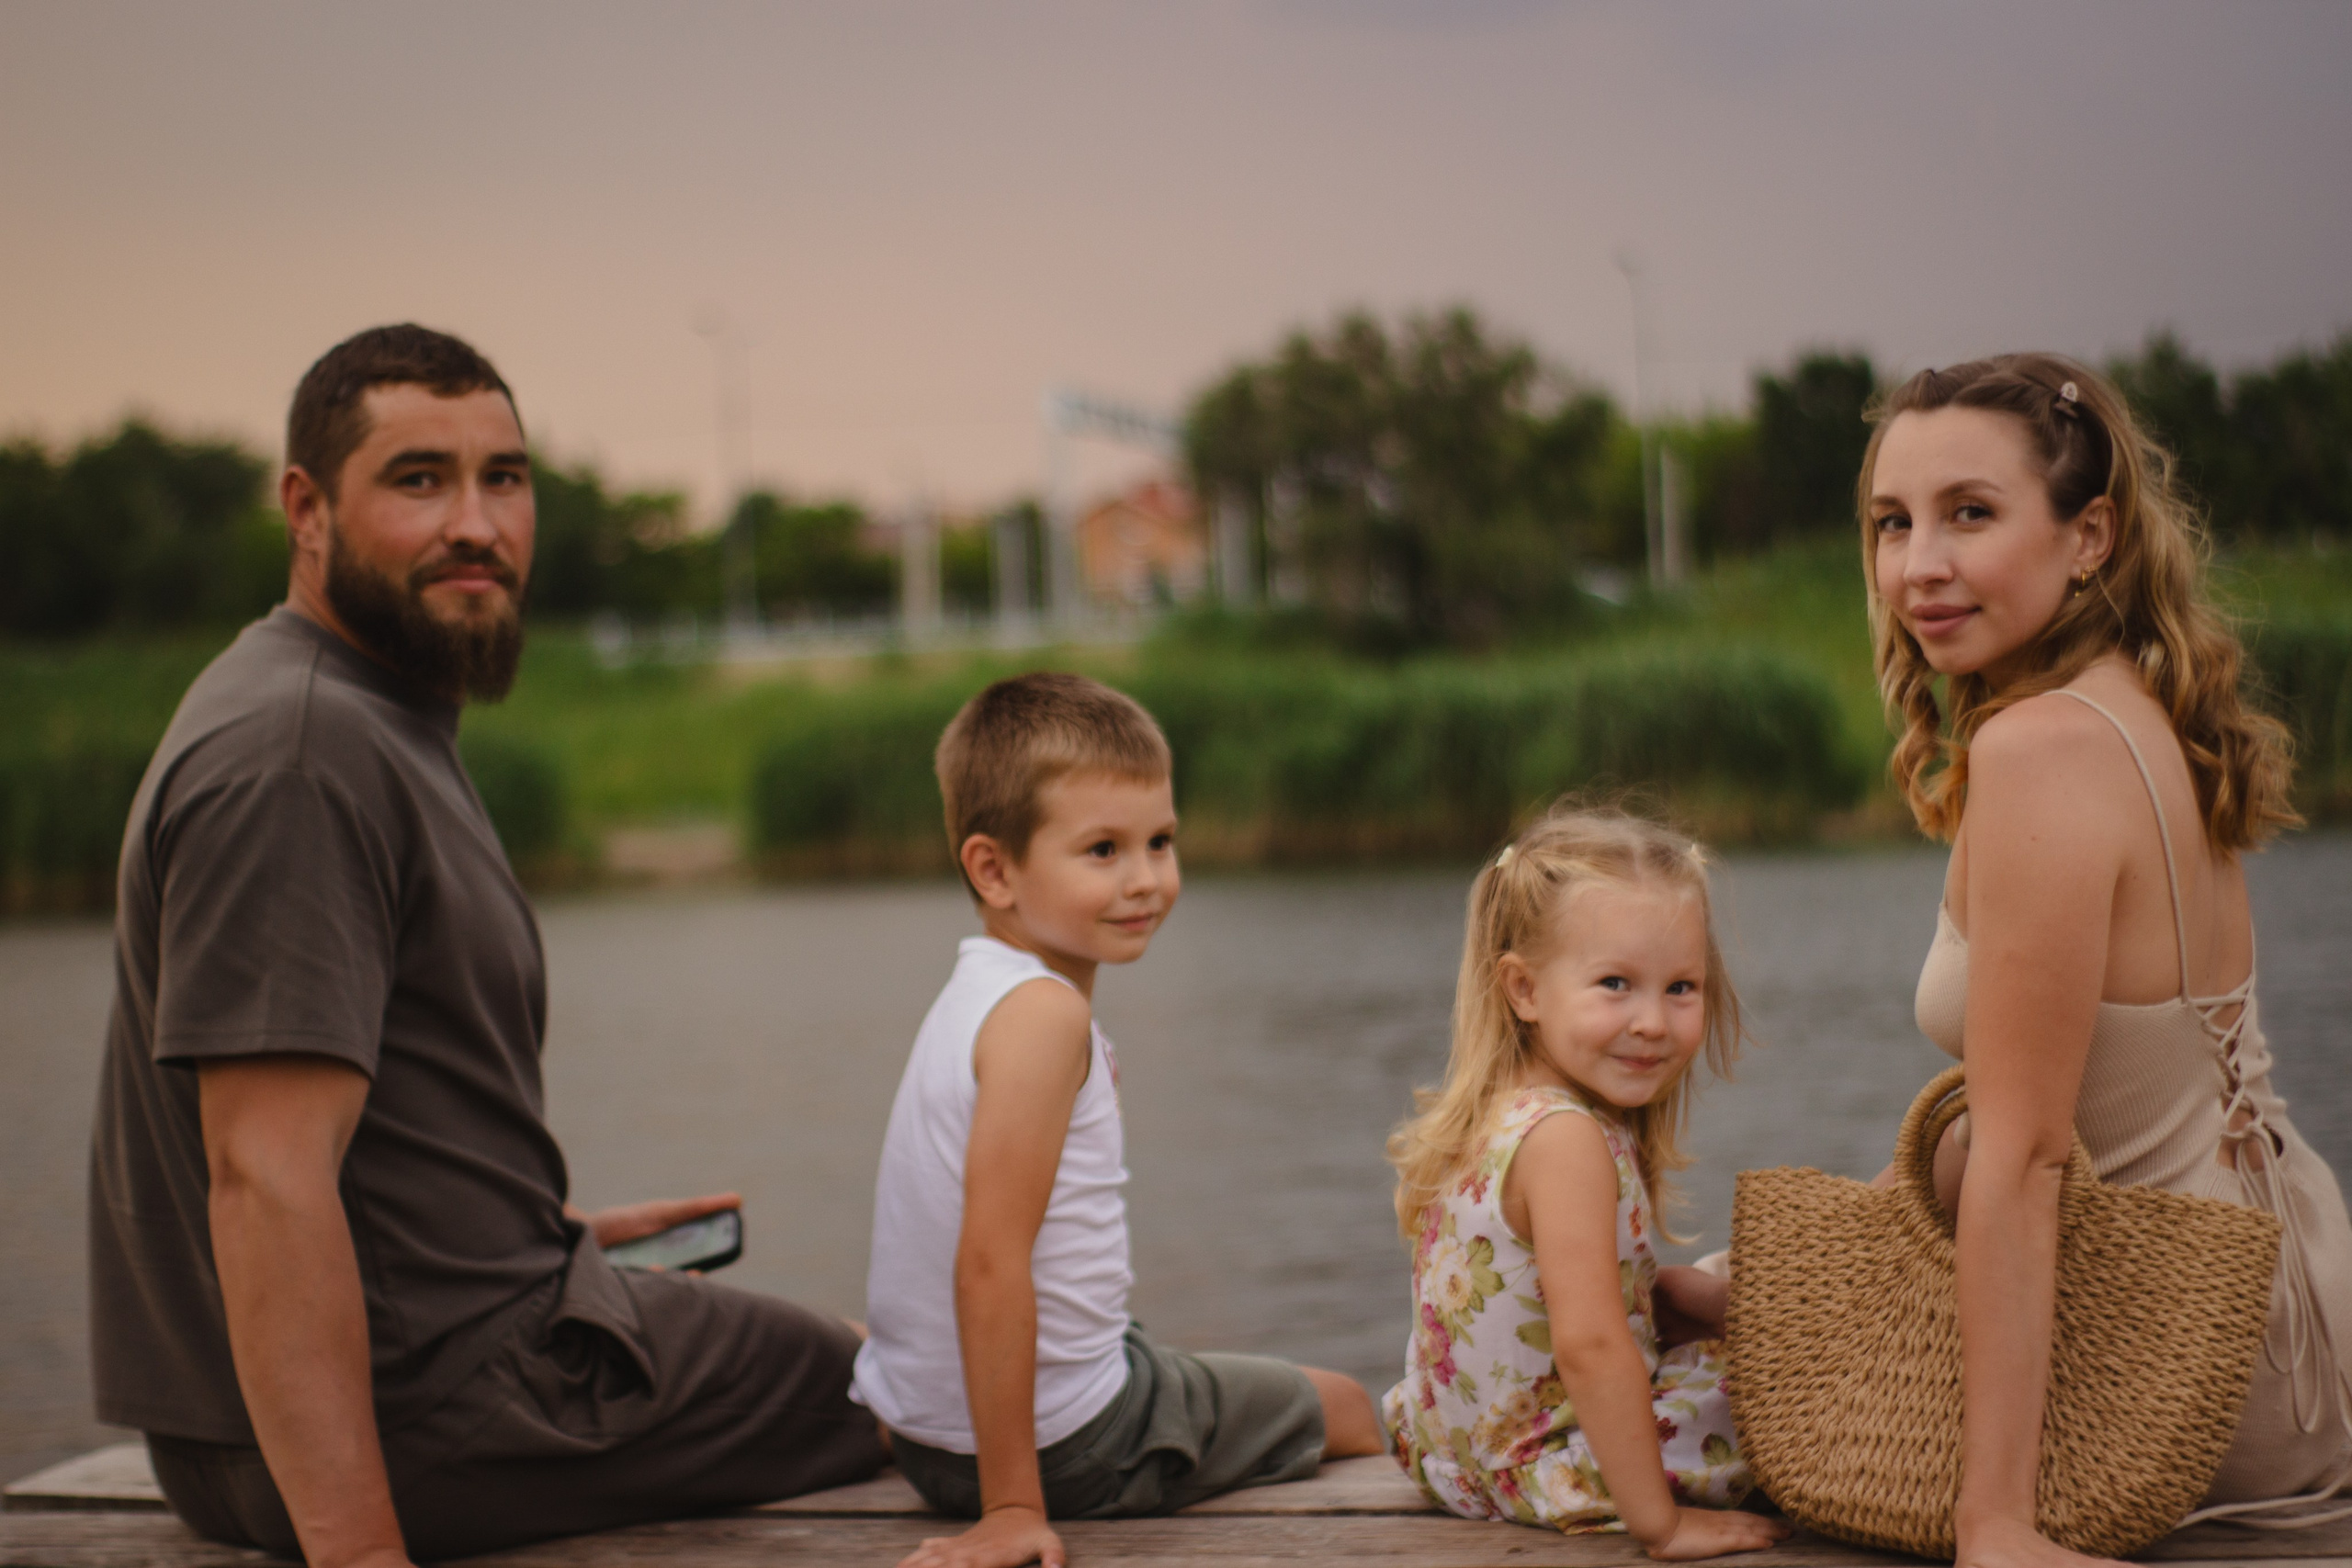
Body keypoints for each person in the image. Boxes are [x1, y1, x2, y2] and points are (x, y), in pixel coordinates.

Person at [86, 324, 887, 1567]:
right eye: (419, 480)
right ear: (307, 507)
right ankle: (1295, 1411)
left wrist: (527, 1226)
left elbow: (340, 1143)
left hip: (320, 1411)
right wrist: (360, 1553)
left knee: (866, 1347)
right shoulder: (302, 752)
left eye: (503, 477)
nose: (477, 522)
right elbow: (264, 1177)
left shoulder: (358, 708)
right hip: (422, 1424)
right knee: (915, 1374)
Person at [1860, 354, 2352, 1568]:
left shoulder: (2041, 748)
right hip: (2280, 1296)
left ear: (2091, 535)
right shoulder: (2141, 707)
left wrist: (1995, 1522)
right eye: (1892, 521)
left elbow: (2028, 1157)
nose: (1919, 562)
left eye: (1970, 512)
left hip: (2175, 1365)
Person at [854, 671, 1385, 1568]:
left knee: (1149, 1347)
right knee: (1347, 1407)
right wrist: (1014, 1507)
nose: (1146, 880)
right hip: (1064, 1450)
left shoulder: (975, 992)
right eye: (1103, 850)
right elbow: (988, 1261)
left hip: (922, 1442)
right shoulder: (1044, 1018)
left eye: (1160, 841)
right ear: (994, 868)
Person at [1382, 805, 1787, 1560]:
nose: (1652, 1021)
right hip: (1553, 1469)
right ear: (1525, 989)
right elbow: (1593, 1344)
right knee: (1777, 1380)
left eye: (1680, 987)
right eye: (1615, 983)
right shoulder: (1565, 1137)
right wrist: (1661, 1523)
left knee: (1698, 1294)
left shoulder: (1499, 1111)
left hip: (1453, 1456)